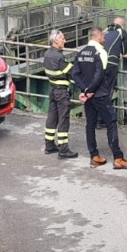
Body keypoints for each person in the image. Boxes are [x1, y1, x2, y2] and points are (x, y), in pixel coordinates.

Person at [72, 27, 127, 170]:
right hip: (100, 94)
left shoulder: (81, 52)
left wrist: (84, 90)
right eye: (103, 36)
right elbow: (100, 74)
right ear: (98, 36)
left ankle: (94, 157)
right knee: (111, 123)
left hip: (89, 97)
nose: (105, 39)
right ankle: (118, 158)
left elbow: (75, 74)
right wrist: (91, 90)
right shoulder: (100, 52)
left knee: (90, 124)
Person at [41, 30, 78, 159]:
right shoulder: (59, 57)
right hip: (61, 92)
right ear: (56, 41)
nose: (65, 40)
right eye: (62, 38)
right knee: (63, 119)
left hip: (52, 90)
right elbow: (71, 71)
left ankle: (49, 145)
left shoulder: (47, 54)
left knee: (52, 117)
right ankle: (63, 149)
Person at [103, 16, 127, 97]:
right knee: (109, 86)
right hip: (111, 61)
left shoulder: (105, 31)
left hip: (99, 61)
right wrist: (120, 52)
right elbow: (124, 50)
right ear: (122, 26)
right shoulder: (122, 32)